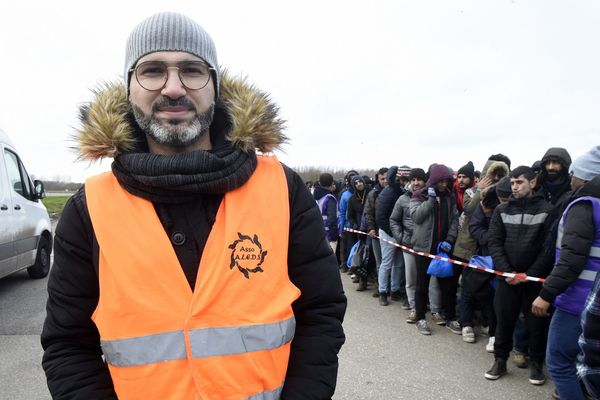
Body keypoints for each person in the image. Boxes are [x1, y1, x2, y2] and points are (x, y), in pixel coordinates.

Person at [41, 12, 346, 400]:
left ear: (215, 87)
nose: (173, 88)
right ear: (129, 88)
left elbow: (321, 314)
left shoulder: (281, 188)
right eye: (152, 71)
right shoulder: (90, 208)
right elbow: (68, 346)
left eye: (191, 70)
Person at [532, 146, 600, 400]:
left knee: (559, 363)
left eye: (574, 173)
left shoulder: (584, 206)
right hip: (593, 301)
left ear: (584, 176)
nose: (571, 178)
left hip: (576, 302)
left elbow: (572, 259)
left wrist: (547, 293)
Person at [485, 166, 553, 385]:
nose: (515, 187)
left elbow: (548, 248)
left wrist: (530, 274)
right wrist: (507, 271)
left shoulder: (547, 210)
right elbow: (494, 242)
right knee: (504, 321)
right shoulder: (501, 210)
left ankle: (536, 364)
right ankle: (500, 361)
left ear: (532, 183)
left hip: (533, 281)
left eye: (520, 182)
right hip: (507, 278)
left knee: (536, 325)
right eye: (512, 183)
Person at [410, 163, 460, 335]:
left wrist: (450, 239)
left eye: (447, 181)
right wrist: (431, 200)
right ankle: (420, 318)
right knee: (422, 285)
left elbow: (455, 220)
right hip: (424, 247)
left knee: (447, 285)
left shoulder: (449, 197)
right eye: (441, 181)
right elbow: (416, 217)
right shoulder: (419, 196)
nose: (444, 185)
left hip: (443, 248)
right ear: (434, 181)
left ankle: (450, 317)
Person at [390, 167, 443, 322]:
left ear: (425, 181)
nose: (416, 183)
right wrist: (401, 238)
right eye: (413, 180)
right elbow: (393, 220)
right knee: (412, 279)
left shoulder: (431, 197)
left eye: (419, 179)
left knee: (433, 280)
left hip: (427, 245)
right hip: (409, 244)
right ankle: (414, 308)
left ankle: (435, 310)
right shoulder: (403, 199)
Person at [375, 166, 406, 306]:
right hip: (388, 232)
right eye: (399, 178)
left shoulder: (402, 191)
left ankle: (394, 290)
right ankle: (383, 292)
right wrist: (393, 233)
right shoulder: (387, 192)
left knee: (398, 264)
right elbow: (380, 216)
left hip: (400, 233)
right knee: (387, 263)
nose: (402, 181)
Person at [364, 167, 388, 295]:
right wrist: (371, 228)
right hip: (377, 233)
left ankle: (390, 287)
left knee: (391, 263)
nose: (385, 181)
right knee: (380, 261)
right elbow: (368, 213)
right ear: (378, 179)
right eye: (382, 178)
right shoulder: (373, 193)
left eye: (386, 178)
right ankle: (381, 287)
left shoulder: (395, 192)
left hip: (392, 234)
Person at [315, 173, 339, 252]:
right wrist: (334, 236)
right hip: (328, 236)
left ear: (320, 183)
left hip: (316, 234)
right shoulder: (329, 198)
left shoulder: (314, 197)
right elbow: (332, 220)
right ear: (332, 183)